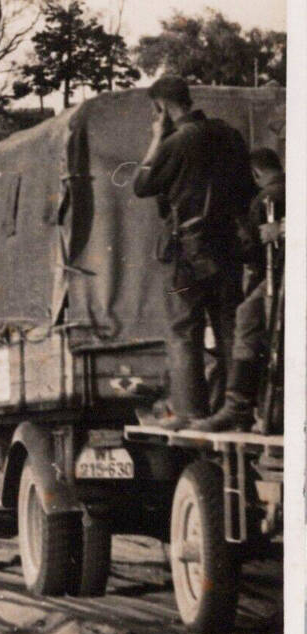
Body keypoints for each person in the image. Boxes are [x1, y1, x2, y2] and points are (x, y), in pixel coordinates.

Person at [132, 75, 254, 429]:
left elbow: (141, 184)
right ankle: (237, 410)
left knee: (184, 326)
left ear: (162, 108)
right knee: (230, 324)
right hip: (228, 249)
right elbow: (246, 190)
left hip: (187, 255)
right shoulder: (230, 135)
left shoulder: (176, 142)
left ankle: (190, 411)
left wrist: (157, 139)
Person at [192, 147, 284, 431]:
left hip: (286, 275)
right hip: (284, 273)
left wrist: (280, 230)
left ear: (255, 175)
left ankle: (240, 407)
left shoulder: (266, 197)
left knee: (254, 320)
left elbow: (253, 249)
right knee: (251, 316)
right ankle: (242, 407)